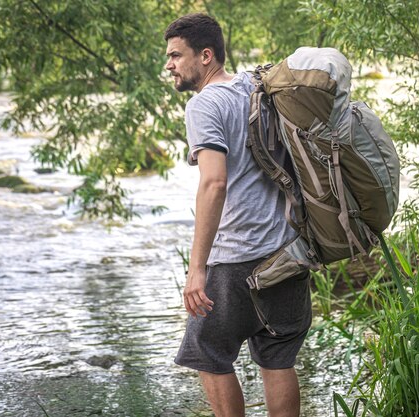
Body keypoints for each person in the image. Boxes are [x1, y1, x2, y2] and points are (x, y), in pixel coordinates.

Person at [163, 13, 312, 417]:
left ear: (206, 56)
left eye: (177, 55)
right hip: (289, 249)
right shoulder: (255, 88)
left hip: (238, 255)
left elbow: (214, 183)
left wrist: (197, 269)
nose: (169, 65)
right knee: (278, 358)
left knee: (206, 352)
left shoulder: (204, 104)